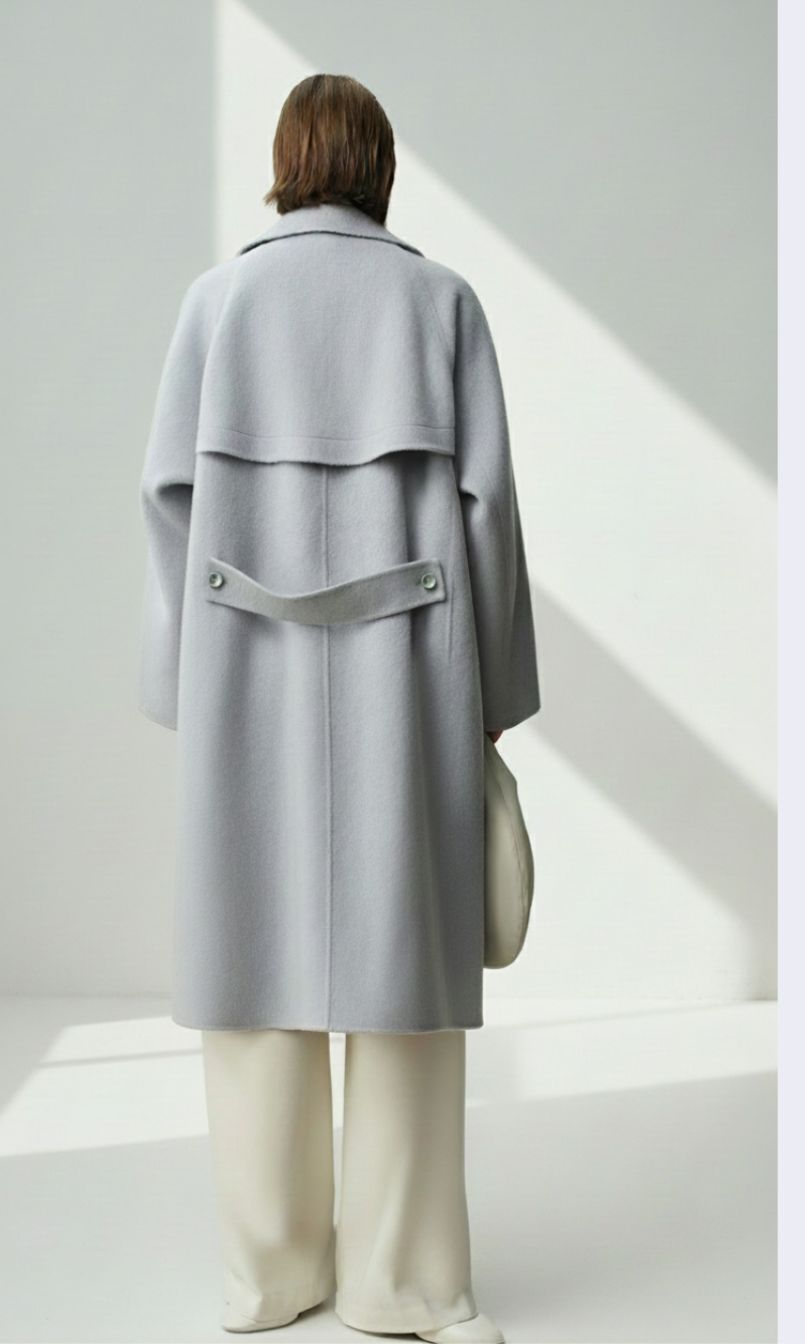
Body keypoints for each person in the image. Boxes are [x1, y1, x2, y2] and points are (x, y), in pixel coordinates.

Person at [138, 73, 540, 1343]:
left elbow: (166, 504)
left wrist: (184, 680)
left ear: (285, 161)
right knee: (402, 974)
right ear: (378, 167)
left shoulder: (216, 303)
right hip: (406, 672)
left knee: (252, 967)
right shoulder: (440, 304)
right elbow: (489, 514)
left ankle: (269, 1276)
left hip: (244, 672)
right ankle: (403, 1282)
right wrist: (493, 697)